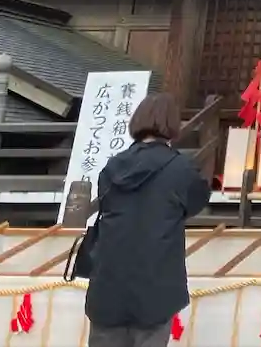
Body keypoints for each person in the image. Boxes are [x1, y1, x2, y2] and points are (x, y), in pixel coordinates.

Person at [84, 92, 212, 347]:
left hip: (108, 285)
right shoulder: (181, 169)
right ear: (172, 125)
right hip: (155, 288)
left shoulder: (113, 167)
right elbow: (197, 200)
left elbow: (106, 205)